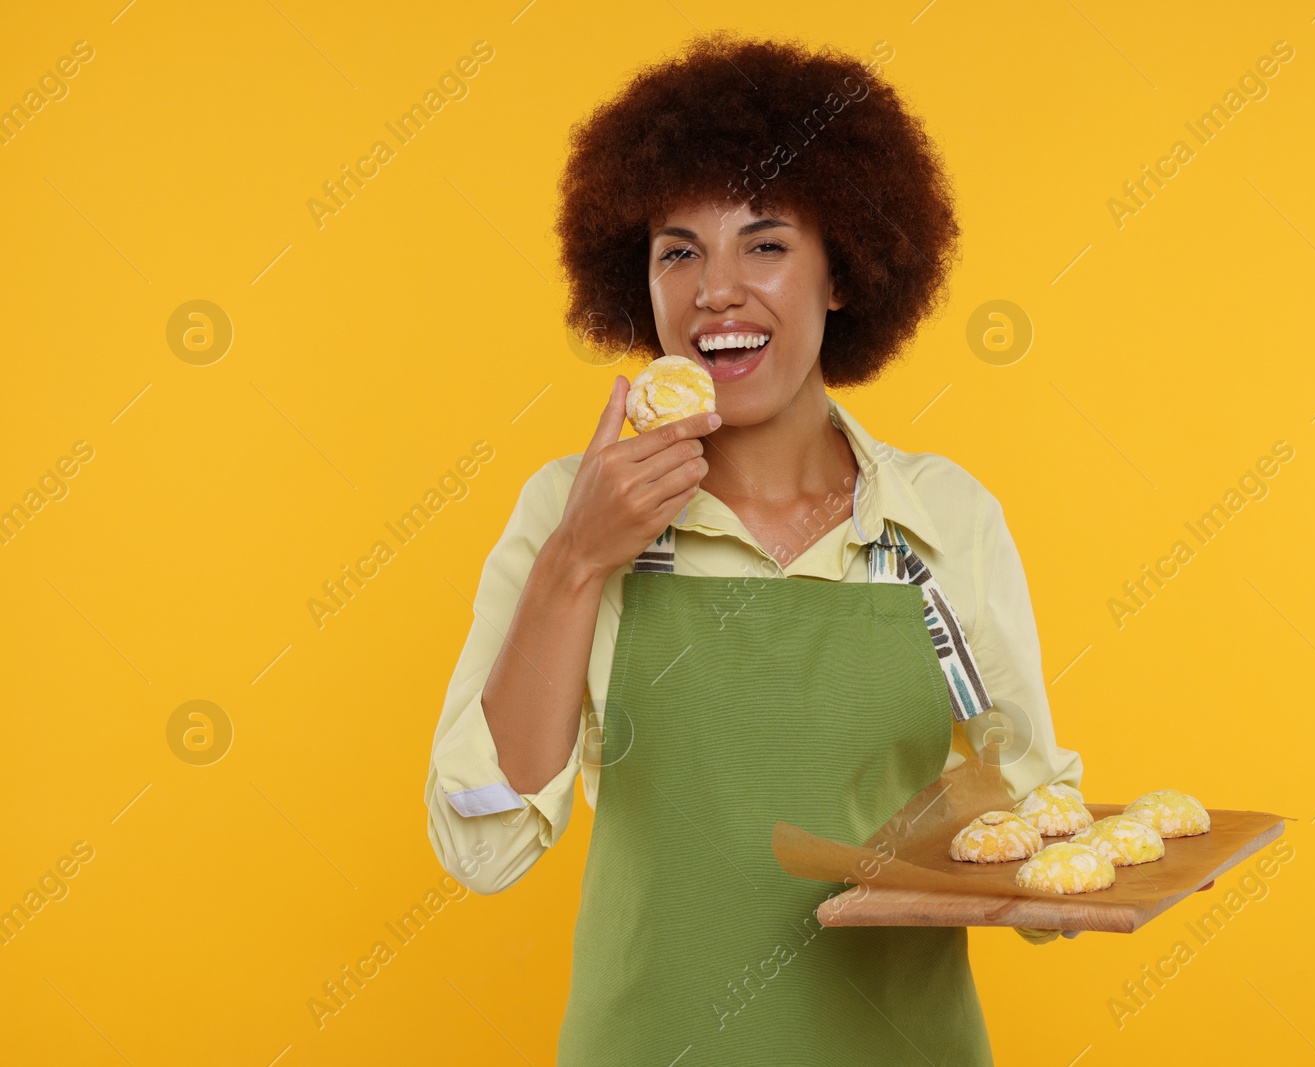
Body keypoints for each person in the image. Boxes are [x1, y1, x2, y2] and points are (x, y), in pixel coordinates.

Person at [424, 31, 1084, 1065]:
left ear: (841, 274)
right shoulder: (569, 506)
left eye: (765, 244)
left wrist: (1090, 878)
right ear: (635, 280)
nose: (714, 290)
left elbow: (1031, 807)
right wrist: (575, 561)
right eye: (677, 250)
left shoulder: (941, 519)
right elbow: (483, 842)